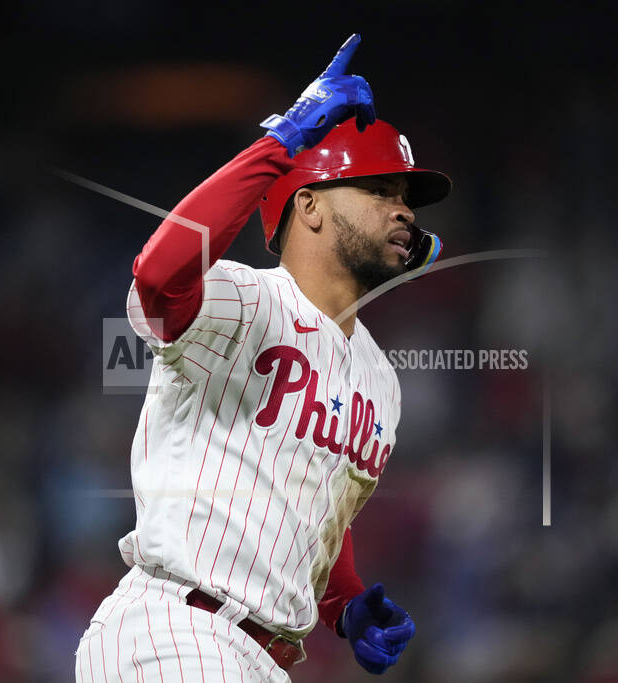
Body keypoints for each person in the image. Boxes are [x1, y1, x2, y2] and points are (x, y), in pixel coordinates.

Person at [75, 34, 451, 681]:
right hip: (175, 627)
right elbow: (159, 277)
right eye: (380, 189)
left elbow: (313, 512)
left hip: (256, 656)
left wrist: (347, 603)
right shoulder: (244, 298)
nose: (402, 210)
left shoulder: (380, 383)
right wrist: (280, 146)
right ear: (307, 205)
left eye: (407, 199)